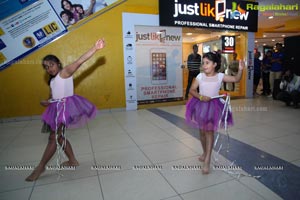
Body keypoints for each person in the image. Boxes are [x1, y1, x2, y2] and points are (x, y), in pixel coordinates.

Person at [25, 38, 105, 182]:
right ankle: (72, 160)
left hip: (64, 109)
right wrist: (47, 102)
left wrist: (95, 48)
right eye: (46, 67)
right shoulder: (53, 80)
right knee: (59, 137)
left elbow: (80, 61)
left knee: (53, 138)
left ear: (58, 64)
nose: (49, 68)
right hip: (56, 109)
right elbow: (54, 97)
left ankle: (41, 167)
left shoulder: (64, 73)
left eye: (51, 65)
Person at [185, 51, 244, 174]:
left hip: (213, 107)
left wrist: (240, 70)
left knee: (209, 132)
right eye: (203, 63)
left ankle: (207, 160)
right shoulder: (200, 76)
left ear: (215, 64)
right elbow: (192, 90)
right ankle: (205, 152)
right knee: (202, 132)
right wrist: (200, 97)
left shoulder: (220, 76)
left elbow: (236, 79)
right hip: (200, 105)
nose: (204, 65)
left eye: (207, 63)